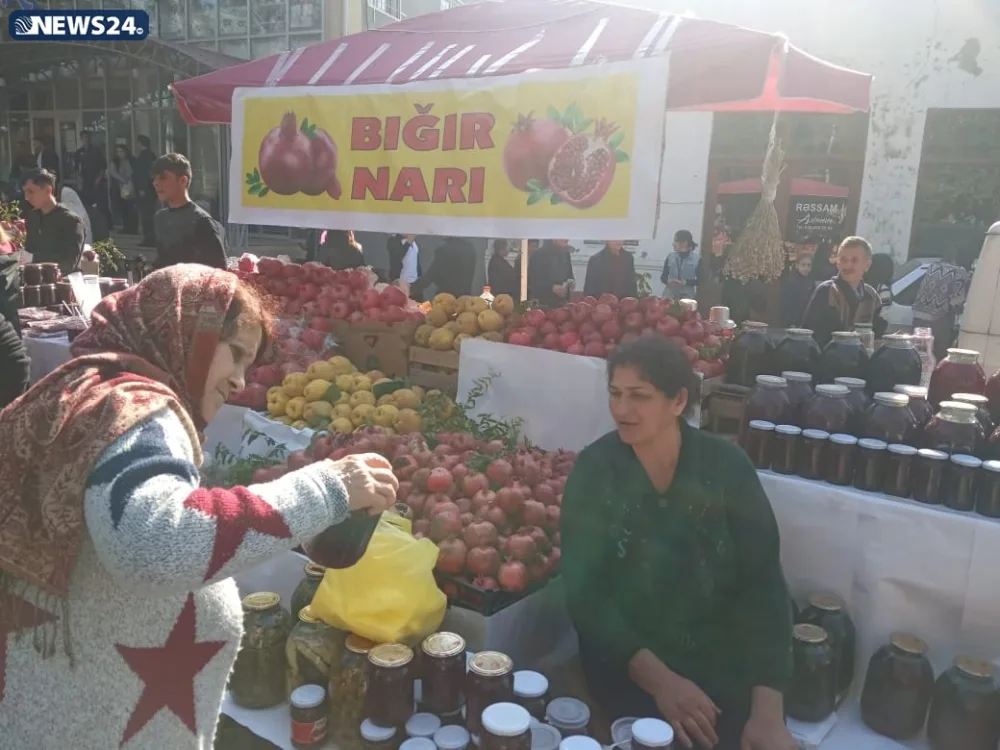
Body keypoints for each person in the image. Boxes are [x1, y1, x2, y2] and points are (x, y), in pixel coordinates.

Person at [0, 265, 398, 748]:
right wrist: (327, 489)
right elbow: (153, 542)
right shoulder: (141, 412)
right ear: (185, 330)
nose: (239, 382)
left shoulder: (87, 392)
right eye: (235, 355)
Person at [561, 336, 795, 750]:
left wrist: (768, 715)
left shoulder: (726, 470)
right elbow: (586, 596)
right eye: (615, 393)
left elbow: (763, 585)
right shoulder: (597, 471)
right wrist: (663, 683)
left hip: (721, 663)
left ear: (678, 401)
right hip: (629, 663)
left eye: (639, 396)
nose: (621, 409)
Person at [801, 236, 879, 348]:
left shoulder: (872, 296)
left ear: (867, 265)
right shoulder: (827, 291)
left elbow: (878, 333)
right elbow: (811, 337)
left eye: (854, 260)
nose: (848, 265)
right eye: (844, 260)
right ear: (837, 263)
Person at [152, 153, 227, 270]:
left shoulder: (202, 221)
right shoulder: (160, 218)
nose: (156, 183)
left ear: (183, 180)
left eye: (162, 177)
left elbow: (219, 271)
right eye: (154, 178)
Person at [22, 168, 86, 276]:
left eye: (31, 191)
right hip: (36, 281)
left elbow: (68, 263)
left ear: (48, 190)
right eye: (25, 192)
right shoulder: (32, 217)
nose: (27, 198)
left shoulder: (71, 221)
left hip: (64, 285)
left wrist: (33, 258)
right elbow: (29, 249)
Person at [911, 248, 972, 360]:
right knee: (937, 357)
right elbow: (956, 303)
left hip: (918, 318)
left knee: (917, 355)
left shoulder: (933, 266)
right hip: (938, 321)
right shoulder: (960, 273)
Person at [410, 236, 477, 300]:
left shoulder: (444, 249)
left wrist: (411, 290)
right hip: (465, 297)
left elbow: (431, 275)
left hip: (445, 298)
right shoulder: (469, 247)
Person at [527, 239, 575, 308]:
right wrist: (552, 288)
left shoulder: (566, 254)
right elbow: (533, 281)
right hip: (542, 306)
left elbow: (569, 275)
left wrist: (571, 282)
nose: (567, 239)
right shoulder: (538, 255)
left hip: (562, 305)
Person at [75, 131, 109, 224]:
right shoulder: (79, 152)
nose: (86, 139)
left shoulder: (96, 151)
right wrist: (79, 179)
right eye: (84, 137)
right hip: (85, 181)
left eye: (87, 137)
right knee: (86, 203)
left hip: (97, 180)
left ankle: (104, 223)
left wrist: (99, 178)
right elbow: (76, 168)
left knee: (100, 203)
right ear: (81, 139)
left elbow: (103, 166)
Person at [661, 230, 701, 301]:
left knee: (686, 311)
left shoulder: (697, 259)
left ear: (684, 242)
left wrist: (686, 282)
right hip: (669, 295)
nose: (673, 244)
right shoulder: (670, 257)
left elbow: (701, 281)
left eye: (675, 241)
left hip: (687, 296)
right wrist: (668, 281)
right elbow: (663, 277)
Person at [133, 135, 158, 248]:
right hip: (149, 190)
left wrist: (142, 188)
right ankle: (150, 237)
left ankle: (149, 238)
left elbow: (144, 174)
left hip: (146, 190)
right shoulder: (150, 156)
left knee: (146, 215)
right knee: (147, 214)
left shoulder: (145, 157)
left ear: (140, 144)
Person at [108, 144, 138, 234]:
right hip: (119, 187)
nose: (119, 154)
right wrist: (122, 179)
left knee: (131, 208)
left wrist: (128, 179)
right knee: (123, 208)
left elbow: (133, 172)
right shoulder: (115, 162)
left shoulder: (131, 160)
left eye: (121, 151)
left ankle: (133, 227)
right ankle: (126, 226)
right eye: (118, 152)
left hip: (130, 186)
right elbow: (112, 172)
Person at [780, 253, 815, 327]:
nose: (806, 268)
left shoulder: (811, 282)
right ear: (797, 265)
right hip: (793, 323)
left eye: (809, 265)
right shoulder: (791, 283)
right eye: (803, 265)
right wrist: (791, 322)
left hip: (807, 322)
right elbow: (786, 305)